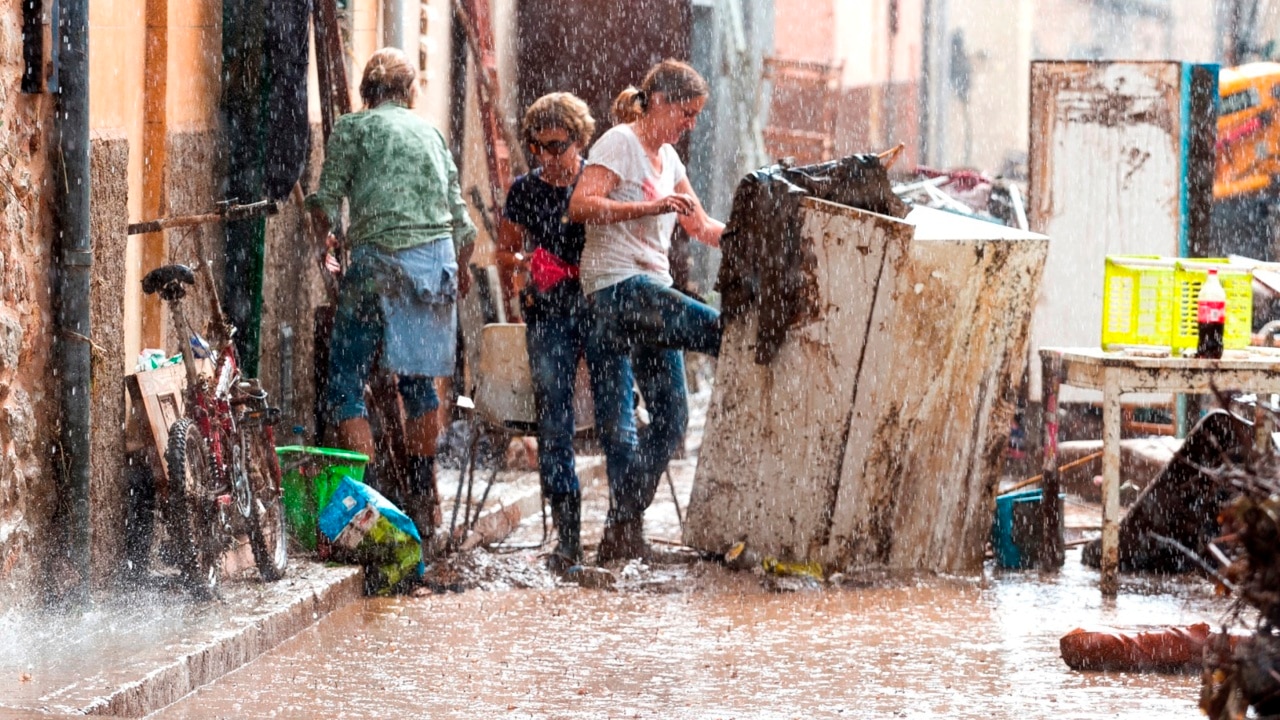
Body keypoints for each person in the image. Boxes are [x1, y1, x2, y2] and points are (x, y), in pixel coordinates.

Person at [306, 48, 476, 541]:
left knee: (345, 379)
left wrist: (328, 243)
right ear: (410, 91)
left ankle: (370, 501)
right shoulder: (431, 131)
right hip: (434, 261)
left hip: (377, 261)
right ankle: (422, 500)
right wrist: (459, 272)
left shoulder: (353, 128)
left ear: (366, 92)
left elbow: (325, 199)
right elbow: (462, 223)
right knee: (420, 382)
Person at [568, 59, 725, 562]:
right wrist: (648, 209)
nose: (691, 124)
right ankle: (622, 529)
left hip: (650, 291)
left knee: (672, 420)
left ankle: (621, 531)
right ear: (658, 102)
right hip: (615, 290)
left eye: (698, 115)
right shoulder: (619, 142)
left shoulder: (672, 162)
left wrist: (751, 233)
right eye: (686, 112)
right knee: (721, 332)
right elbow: (581, 204)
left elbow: (702, 227)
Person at [496, 93, 596, 575]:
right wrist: (529, 265)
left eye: (557, 147)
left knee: (618, 418)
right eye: (538, 148)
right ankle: (568, 540)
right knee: (554, 424)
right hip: (547, 313)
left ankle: (624, 529)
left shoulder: (595, 182)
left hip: (597, 309)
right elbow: (505, 255)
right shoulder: (524, 190)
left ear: (579, 141)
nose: (548, 158)